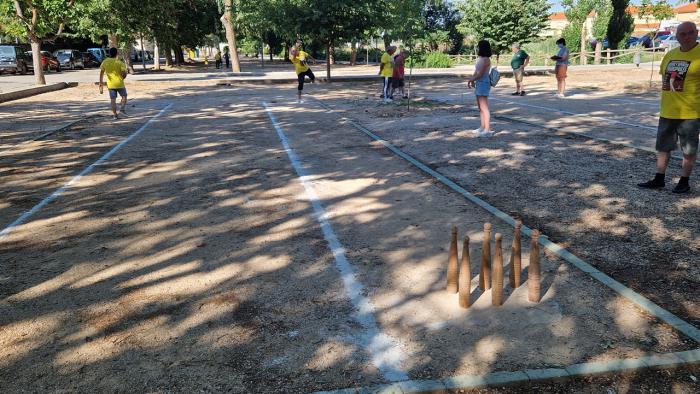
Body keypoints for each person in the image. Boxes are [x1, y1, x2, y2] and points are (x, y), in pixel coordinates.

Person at [638, 21, 700, 194]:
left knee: (688, 149)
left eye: (690, 33)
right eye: (682, 34)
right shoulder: (670, 54)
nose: (686, 37)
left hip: (691, 112)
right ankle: (659, 179)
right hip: (667, 110)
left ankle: (684, 181)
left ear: (696, 33)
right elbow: (665, 80)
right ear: (677, 36)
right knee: (663, 147)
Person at [467, 40, 493, 137]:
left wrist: (471, 80)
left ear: (482, 47)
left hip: (483, 83)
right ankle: (482, 127)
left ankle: (487, 130)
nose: (477, 48)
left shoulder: (486, 59)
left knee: (484, 107)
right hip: (479, 83)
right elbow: (476, 71)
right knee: (480, 107)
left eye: (478, 46)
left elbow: (481, 74)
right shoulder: (480, 58)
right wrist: (472, 79)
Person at [98, 47, 128, 120]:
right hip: (119, 83)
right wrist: (123, 77)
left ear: (109, 53)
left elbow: (101, 73)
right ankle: (122, 109)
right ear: (116, 54)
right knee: (124, 96)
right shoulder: (119, 62)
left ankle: (115, 115)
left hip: (110, 84)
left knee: (113, 100)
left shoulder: (105, 62)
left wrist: (101, 82)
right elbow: (124, 73)